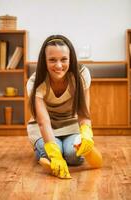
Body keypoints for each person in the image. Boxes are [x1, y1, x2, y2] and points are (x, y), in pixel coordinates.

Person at [27, 34, 102, 179]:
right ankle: (41, 148)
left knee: (74, 157)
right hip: (43, 127)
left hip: (70, 125)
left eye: (64, 59)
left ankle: (50, 151)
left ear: (71, 59)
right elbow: (43, 122)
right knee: (53, 155)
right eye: (52, 60)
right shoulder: (35, 82)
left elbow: (83, 113)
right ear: (44, 61)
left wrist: (86, 134)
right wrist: (54, 154)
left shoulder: (81, 75)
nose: (59, 65)